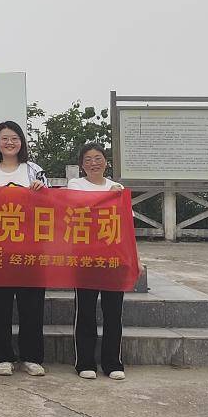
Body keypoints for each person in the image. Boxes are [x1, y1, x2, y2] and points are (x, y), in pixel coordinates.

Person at [0, 120, 49, 377]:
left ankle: (32, 357)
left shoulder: (34, 170)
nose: (9, 143)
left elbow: (49, 207)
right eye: (4, 138)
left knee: (32, 305)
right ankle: (2, 357)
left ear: (22, 142)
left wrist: (41, 192)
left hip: (31, 248)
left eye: (14, 138)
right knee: (0, 305)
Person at [69, 143, 132, 381]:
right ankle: (85, 362)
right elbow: (81, 209)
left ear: (106, 162)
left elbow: (126, 222)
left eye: (98, 158)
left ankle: (113, 362)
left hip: (113, 258)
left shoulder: (118, 187)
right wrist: (109, 197)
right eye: (88, 159)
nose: (93, 163)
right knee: (85, 310)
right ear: (81, 165)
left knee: (113, 312)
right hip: (85, 258)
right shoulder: (76, 184)